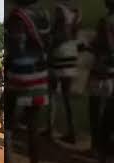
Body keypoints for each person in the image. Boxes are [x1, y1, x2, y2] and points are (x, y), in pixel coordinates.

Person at [6, 0, 51, 163]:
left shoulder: (17, 17)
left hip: (20, 75)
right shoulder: (44, 15)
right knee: (33, 127)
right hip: (40, 74)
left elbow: (15, 47)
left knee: (8, 123)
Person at [42, 0, 82, 144]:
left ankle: (50, 130)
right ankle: (72, 132)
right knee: (67, 97)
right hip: (71, 53)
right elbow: (73, 34)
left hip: (60, 54)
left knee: (52, 94)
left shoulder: (59, 9)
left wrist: (48, 42)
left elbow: (60, 34)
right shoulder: (76, 12)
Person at [88, 0, 114, 163]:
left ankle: (97, 148)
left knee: (97, 112)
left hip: (102, 73)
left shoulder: (105, 22)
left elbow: (102, 46)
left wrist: (90, 46)